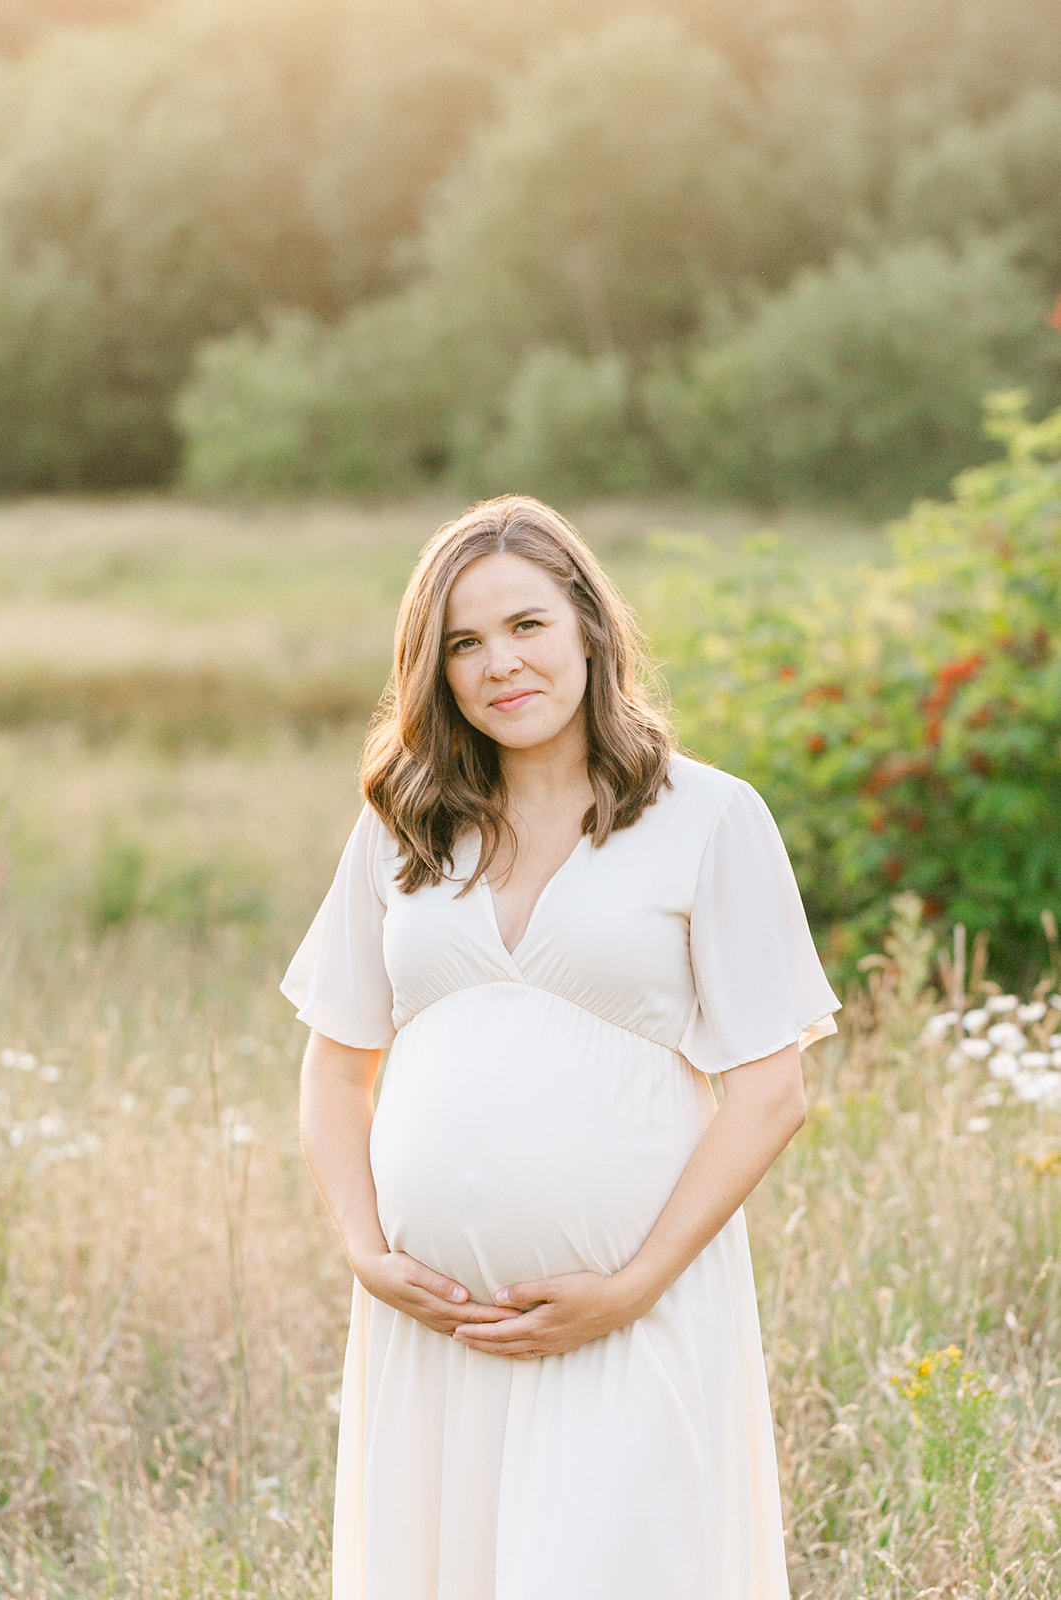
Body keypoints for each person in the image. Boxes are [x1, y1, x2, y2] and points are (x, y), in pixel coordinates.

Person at [281, 494, 840, 1600]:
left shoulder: (708, 816)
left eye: (526, 625)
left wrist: (630, 1285)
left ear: (587, 623)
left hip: (626, 1318)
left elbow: (769, 1092)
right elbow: (336, 1066)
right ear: (432, 671)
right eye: (463, 643)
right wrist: (366, 1251)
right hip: (431, 1329)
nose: (501, 664)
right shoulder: (401, 827)